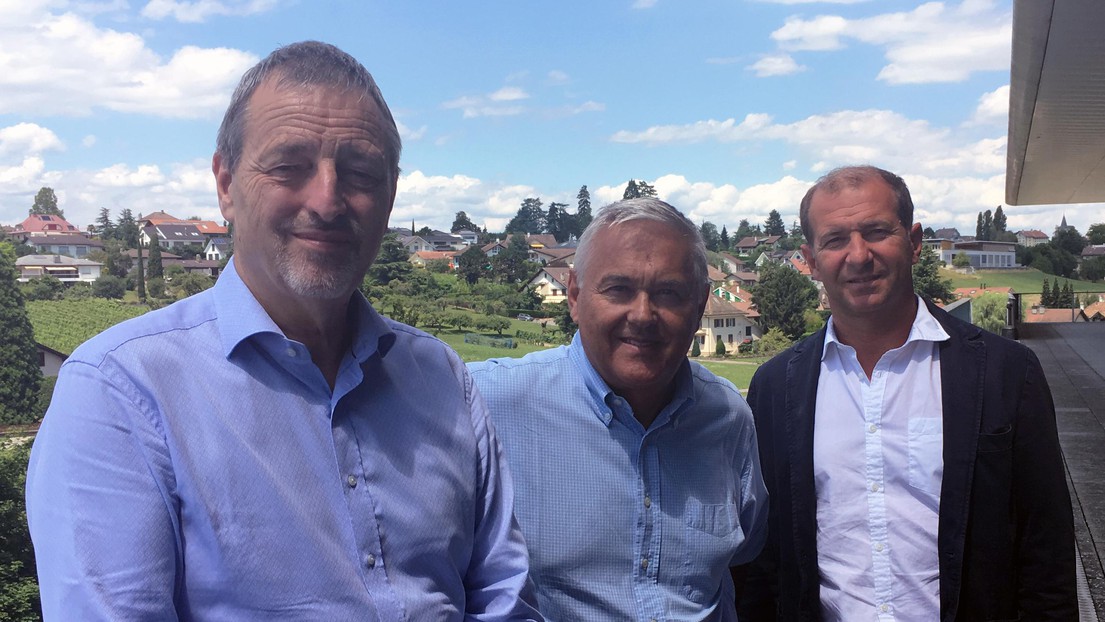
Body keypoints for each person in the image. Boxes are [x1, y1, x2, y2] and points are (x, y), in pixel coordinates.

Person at [26, 41, 541, 621]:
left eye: (360, 173)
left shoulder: (441, 378)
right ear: (226, 184)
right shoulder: (119, 392)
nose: (327, 200)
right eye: (289, 166)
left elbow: (504, 600)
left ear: (390, 196)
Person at [737, 165, 1077, 621]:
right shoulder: (776, 387)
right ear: (811, 259)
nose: (858, 256)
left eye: (877, 232)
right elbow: (765, 559)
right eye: (835, 240)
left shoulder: (1005, 374)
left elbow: (1046, 553)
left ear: (914, 242)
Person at [469, 198, 768, 621]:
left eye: (669, 293)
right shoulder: (489, 403)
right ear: (574, 295)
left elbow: (746, 555)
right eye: (618, 289)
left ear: (700, 305)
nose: (643, 315)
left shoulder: (727, 418)